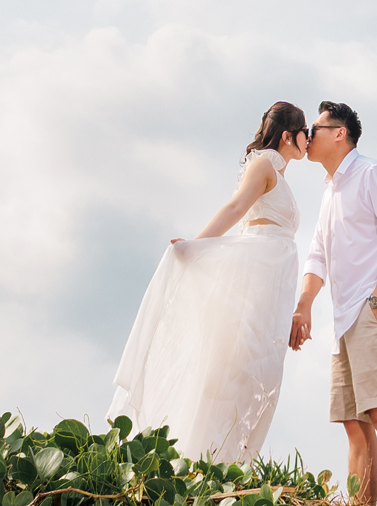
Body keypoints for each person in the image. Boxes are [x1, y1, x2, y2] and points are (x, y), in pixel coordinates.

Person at [107, 101, 309, 462]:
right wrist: (196, 246)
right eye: (305, 132)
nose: (309, 138)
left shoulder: (280, 175)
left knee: (256, 369)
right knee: (235, 365)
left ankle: (228, 459)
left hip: (273, 284)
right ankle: (204, 456)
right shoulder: (263, 166)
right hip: (256, 275)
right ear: (287, 136)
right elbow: (235, 209)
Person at [290, 101, 377, 506]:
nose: (308, 136)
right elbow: (317, 257)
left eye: (315, 129)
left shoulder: (372, 173)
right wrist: (304, 305)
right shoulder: (330, 192)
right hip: (343, 319)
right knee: (353, 423)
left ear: (340, 133)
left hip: (372, 309)